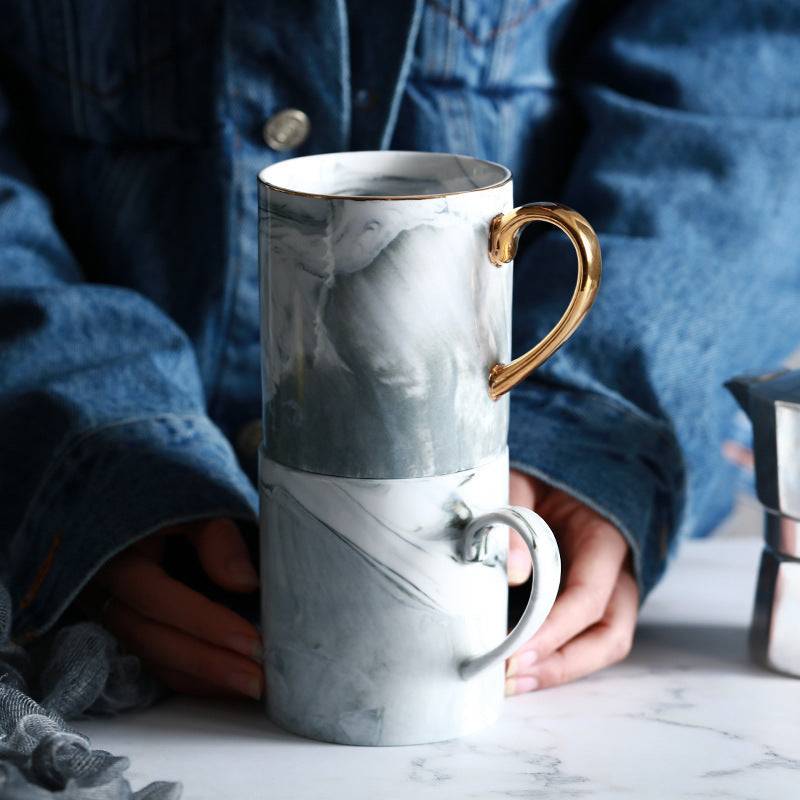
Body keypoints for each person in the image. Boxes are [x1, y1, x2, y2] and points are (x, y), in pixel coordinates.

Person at [1, 0, 798, 703]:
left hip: (522, 546)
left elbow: (741, 84)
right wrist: (82, 445)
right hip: (90, 589)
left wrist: (601, 421)